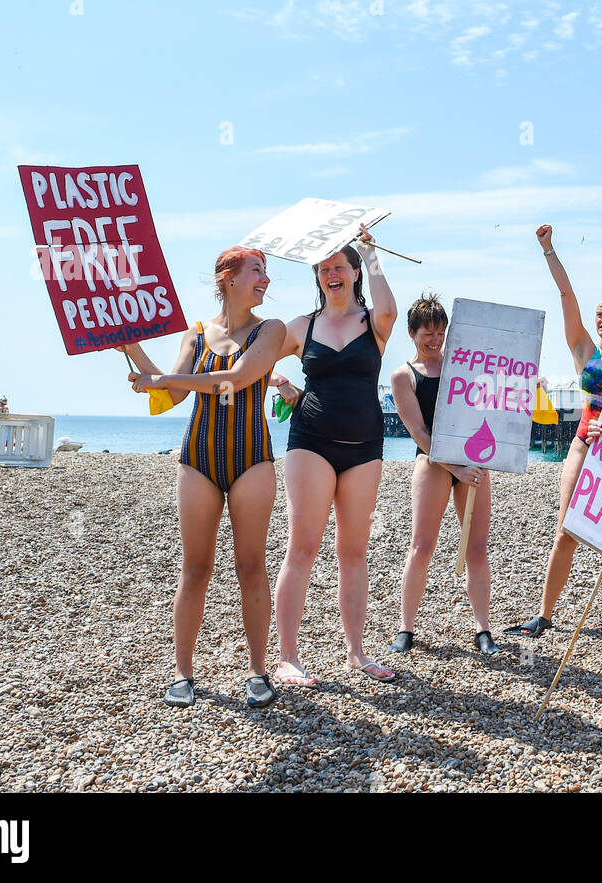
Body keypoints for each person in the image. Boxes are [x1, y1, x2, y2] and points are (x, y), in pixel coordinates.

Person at [122, 247, 285, 708]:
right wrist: (133, 348)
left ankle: (257, 671)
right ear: (228, 278)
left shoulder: (270, 330)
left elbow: (233, 380)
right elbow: (171, 393)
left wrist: (159, 384)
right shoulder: (196, 334)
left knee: (250, 566)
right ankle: (182, 673)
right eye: (257, 271)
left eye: (265, 272)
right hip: (199, 457)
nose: (265, 280)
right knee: (195, 568)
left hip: (252, 457)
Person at [268, 225, 400, 686]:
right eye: (323, 269)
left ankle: (356, 653)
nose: (331, 274)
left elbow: (389, 308)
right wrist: (277, 383)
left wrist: (371, 250)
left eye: (339, 267)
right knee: (302, 547)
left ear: (355, 273)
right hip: (311, 442)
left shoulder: (373, 323)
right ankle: (288, 657)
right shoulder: (301, 327)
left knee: (354, 552)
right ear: (317, 278)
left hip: (365, 447)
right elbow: (256, 357)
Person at [505, 224, 602, 644]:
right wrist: (549, 250)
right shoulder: (584, 350)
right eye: (598, 313)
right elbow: (567, 297)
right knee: (566, 531)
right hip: (583, 443)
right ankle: (544, 614)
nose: (601, 318)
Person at [385, 294, 500, 656]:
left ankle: (483, 629)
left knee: (477, 548)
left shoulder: (462, 366)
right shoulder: (404, 376)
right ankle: (406, 629)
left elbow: (490, 405)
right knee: (421, 547)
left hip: (473, 463)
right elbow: (418, 432)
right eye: (427, 334)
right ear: (411, 333)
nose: (435, 340)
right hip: (433, 463)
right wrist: (456, 468)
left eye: (440, 332)